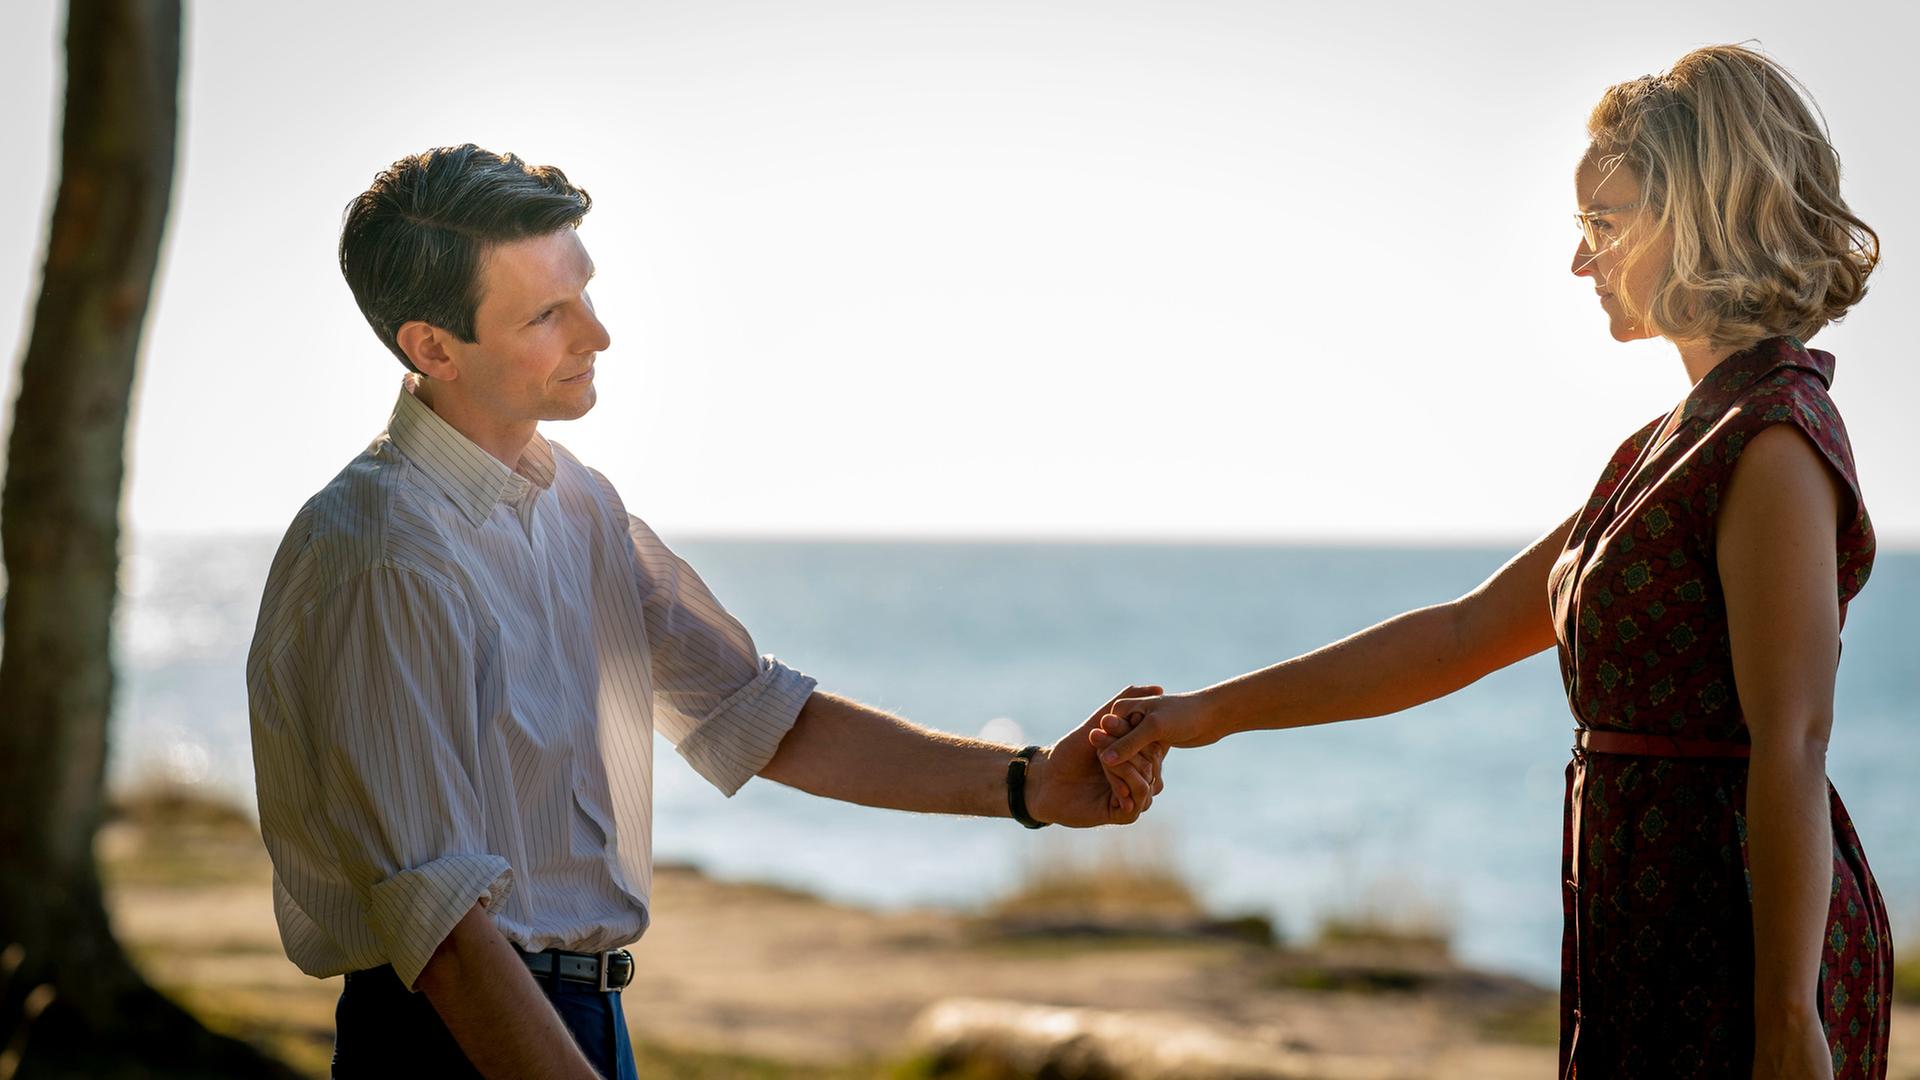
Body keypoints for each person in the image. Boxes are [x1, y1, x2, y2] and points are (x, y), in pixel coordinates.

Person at [245, 144, 1166, 1080]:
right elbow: (443, 932)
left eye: (584, 292)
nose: (597, 335)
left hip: (587, 1016)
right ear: (433, 347)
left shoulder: (578, 505)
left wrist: (1031, 784)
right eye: (547, 315)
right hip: (450, 1042)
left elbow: (751, 713)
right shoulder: (380, 555)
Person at [1091, 45, 1888, 1080]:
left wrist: (1786, 1019)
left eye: (1603, 223)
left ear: (1695, 216)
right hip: (1643, 926)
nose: (1581, 261)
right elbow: (1463, 633)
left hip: (1732, 950)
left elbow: (1795, 741)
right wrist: (1207, 713)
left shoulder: (1772, 438)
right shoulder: (1669, 445)